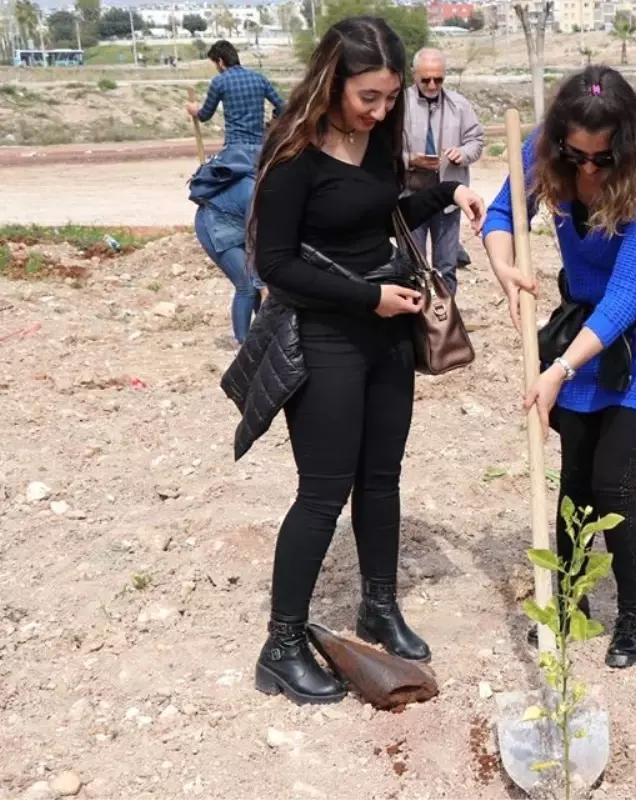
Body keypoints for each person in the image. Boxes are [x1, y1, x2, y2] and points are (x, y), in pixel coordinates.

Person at [243, 16, 486, 705]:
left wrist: (448, 192)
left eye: (390, 98)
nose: (382, 112)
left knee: (382, 479)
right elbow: (275, 263)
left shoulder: (378, 142)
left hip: (386, 334)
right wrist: (366, 296)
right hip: (325, 337)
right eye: (368, 98)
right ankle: (281, 644)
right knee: (323, 493)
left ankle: (379, 606)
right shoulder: (294, 155)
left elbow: (380, 211)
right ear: (333, 82)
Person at [483, 66, 636, 670]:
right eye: (577, 156)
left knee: (613, 482)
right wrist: (507, 270)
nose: (589, 170)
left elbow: (627, 294)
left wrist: (557, 371)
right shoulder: (544, 150)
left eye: (602, 158)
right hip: (585, 335)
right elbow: (497, 217)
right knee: (575, 481)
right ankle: (569, 599)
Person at [403, 48, 485, 295]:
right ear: (413, 75)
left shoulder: (459, 105)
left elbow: (476, 141)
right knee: (411, 266)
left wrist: (463, 154)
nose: (431, 84)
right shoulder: (399, 105)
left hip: (448, 200)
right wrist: (410, 159)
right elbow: (384, 149)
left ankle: (445, 324)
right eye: (425, 79)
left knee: (446, 266)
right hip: (410, 196)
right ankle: (414, 322)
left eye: (438, 79)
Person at [188, 144, 264, 344]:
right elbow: (255, 238)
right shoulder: (255, 193)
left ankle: (262, 336)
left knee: (258, 283)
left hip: (236, 219)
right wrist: (264, 284)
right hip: (214, 222)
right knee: (248, 285)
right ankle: (243, 343)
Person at [186, 40, 285, 148]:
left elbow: (204, 116)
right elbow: (283, 107)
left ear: (220, 62)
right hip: (259, 145)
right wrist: (273, 120)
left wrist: (194, 110)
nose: (216, 69)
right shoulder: (259, 78)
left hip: (234, 146)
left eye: (215, 65)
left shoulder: (219, 82)